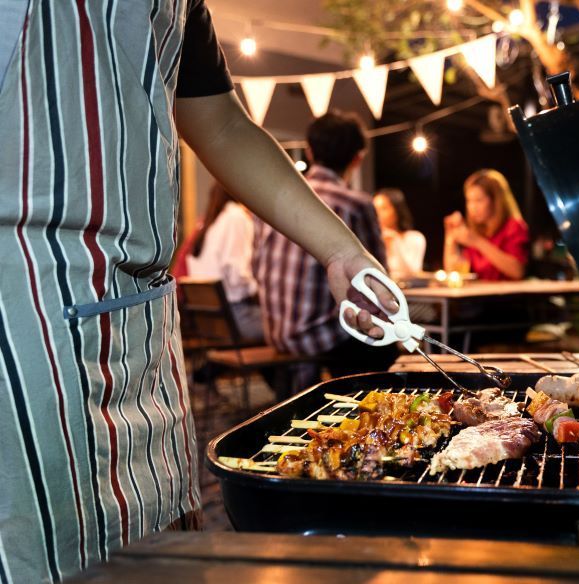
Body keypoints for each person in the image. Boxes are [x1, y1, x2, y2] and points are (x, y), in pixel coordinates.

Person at [0, 2, 393, 582]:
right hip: (22, 301)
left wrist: (342, 252)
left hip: (142, 314)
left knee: (161, 544)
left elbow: (223, 124)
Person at [252, 112, 399, 394]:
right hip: (320, 339)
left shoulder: (272, 199)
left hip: (276, 334)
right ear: (358, 158)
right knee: (391, 353)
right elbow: (377, 284)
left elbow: (256, 268)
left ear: (309, 150)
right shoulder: (355, 204)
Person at [181, 183, 263, 343]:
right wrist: (259, 289)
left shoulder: (210, 223)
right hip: (236, 318)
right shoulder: (236, 217)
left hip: (211, 324)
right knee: (287, 328)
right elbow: (237, 275)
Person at [444, 169, 530, 281]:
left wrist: (477, 241)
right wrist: (450, 237)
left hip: (508, 297)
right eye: (469, 201)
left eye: (478, 200)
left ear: (496, 201)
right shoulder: (477, 231)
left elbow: (517, 271)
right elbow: (453, 271)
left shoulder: (514, 227)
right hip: (481, 297)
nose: (472, 207)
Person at [373, 188, 426, 279]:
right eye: (374, 210)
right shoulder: (371, 239)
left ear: (397, 210)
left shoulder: (415, 238)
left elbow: (413, 272)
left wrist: (395, 241)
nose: (378, 214)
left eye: (383, 208)